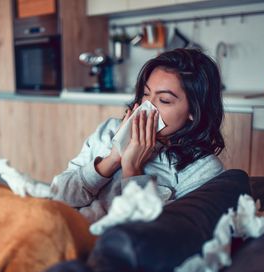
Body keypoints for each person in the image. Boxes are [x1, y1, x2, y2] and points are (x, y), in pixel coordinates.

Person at [50, 48, 225, 223]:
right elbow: (59, 196)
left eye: (164, 100)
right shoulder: (110, 130)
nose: (147, 106)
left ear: (194, 110)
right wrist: (112, 160)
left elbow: (155, 237)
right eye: (146, 94)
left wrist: (132, 169)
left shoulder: (202, 169)